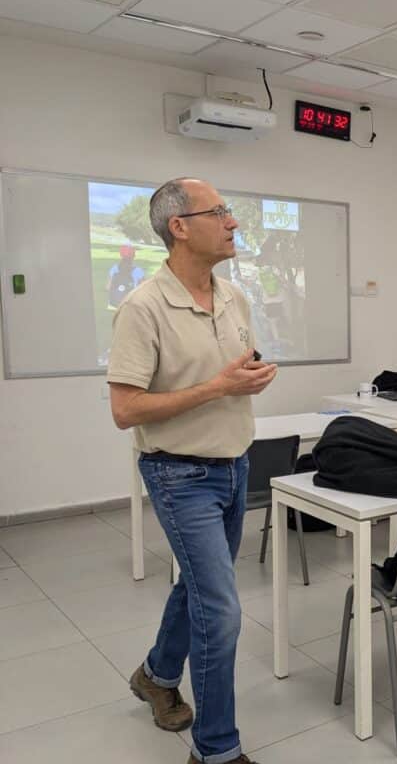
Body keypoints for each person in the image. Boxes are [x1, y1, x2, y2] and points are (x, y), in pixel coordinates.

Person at [107, 178, 277, 764]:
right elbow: (126, 410)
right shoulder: (142, 307)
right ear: (179, 227)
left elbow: (235, 367)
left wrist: (248, 375)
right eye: (221, 212)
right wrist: (219, 387)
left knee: (199, 590)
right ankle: (217, 750)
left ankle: (156, 673)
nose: (233, 222)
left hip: (235, 466)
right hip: (179, 475)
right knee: (222, 610)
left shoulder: (235, 296)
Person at [107, 243, 146, 309]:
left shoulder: (114, 268)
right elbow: (144, 290)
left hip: (113, 304)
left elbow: (108, 287)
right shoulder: (138, 271)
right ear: (133, 256)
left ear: (121, 255)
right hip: (130, 305)